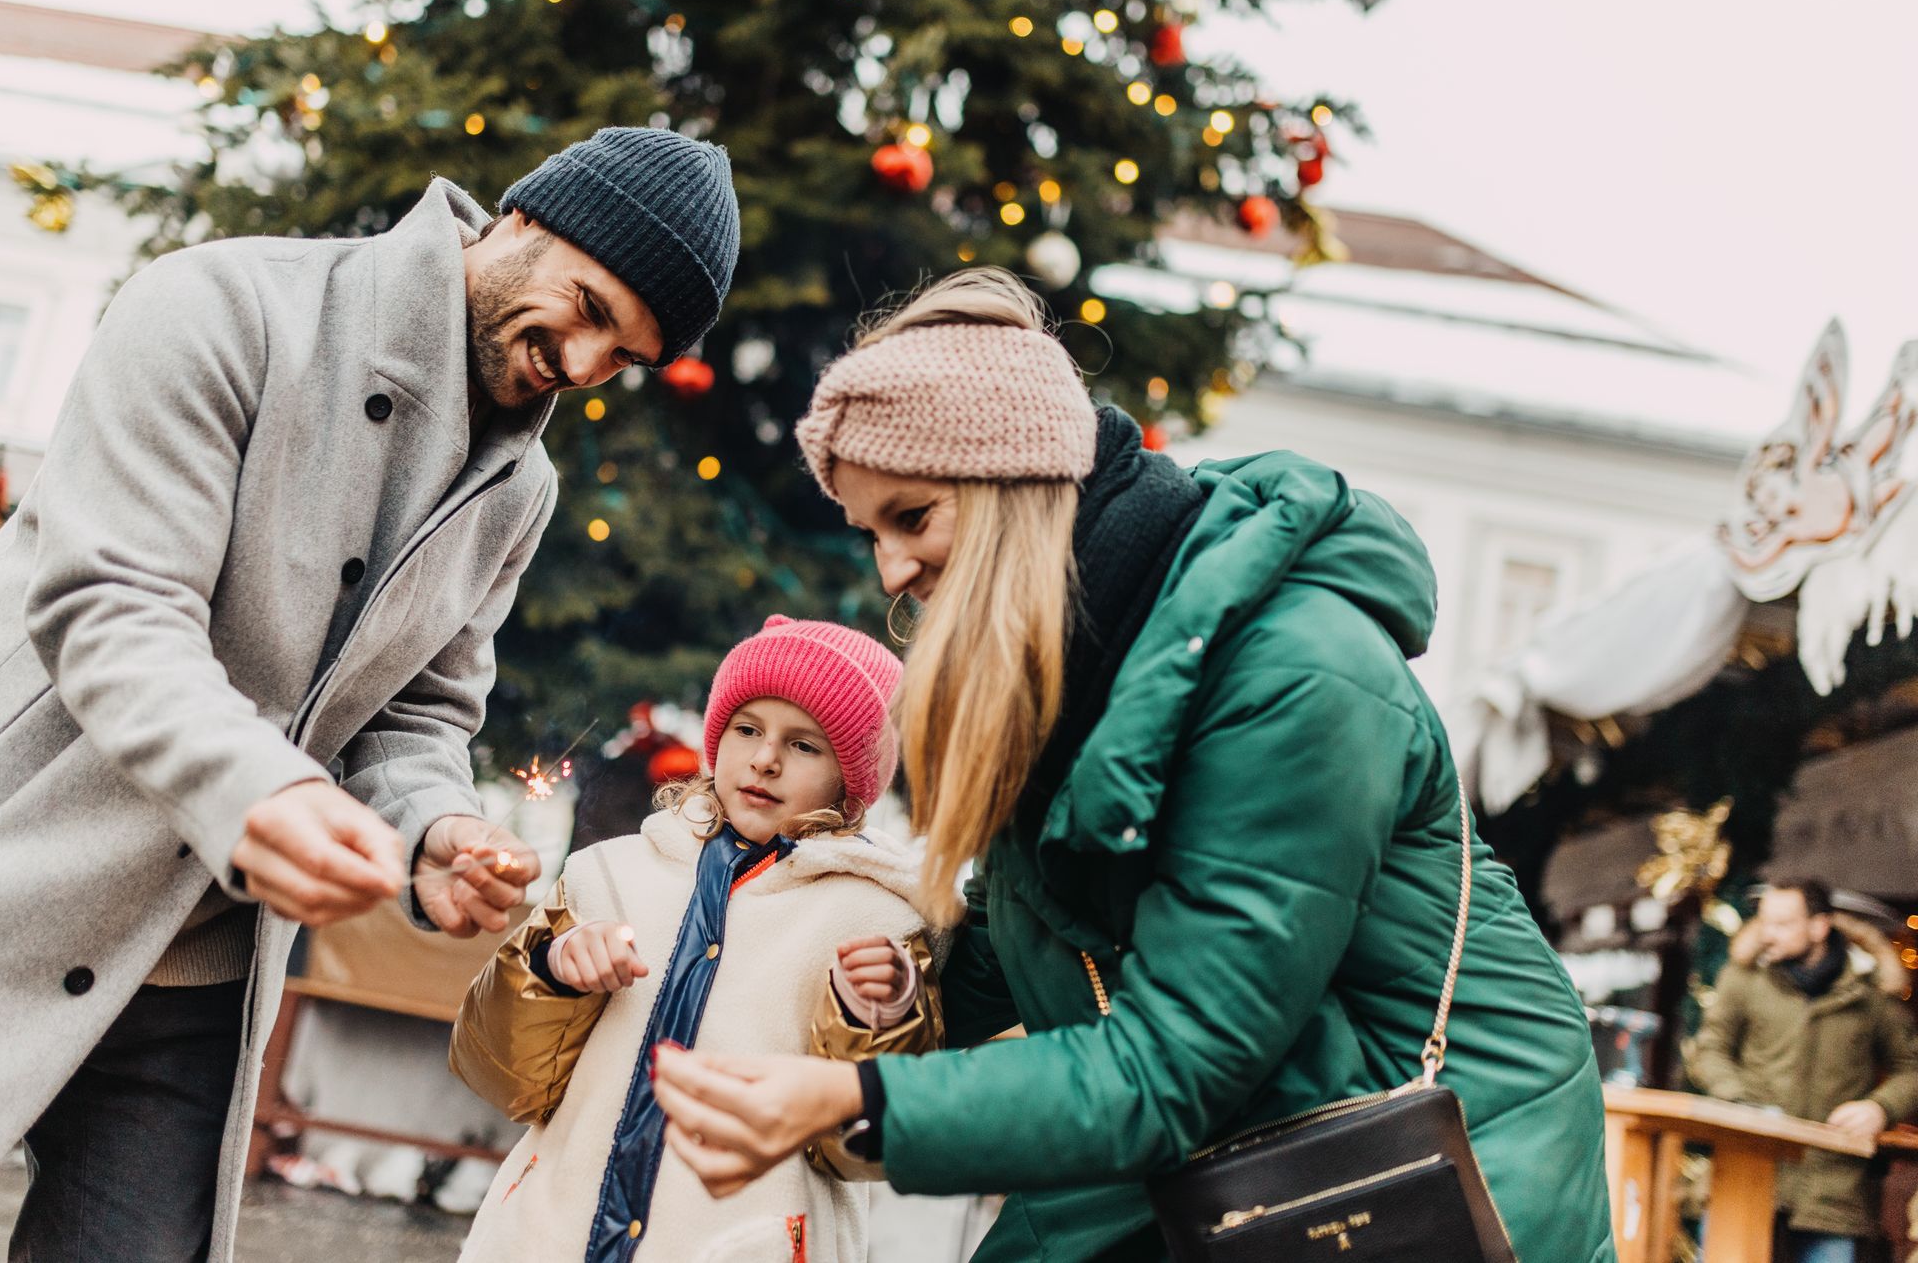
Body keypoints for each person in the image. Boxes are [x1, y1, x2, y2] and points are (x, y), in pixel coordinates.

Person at [0, 126, 741, 1263]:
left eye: (620, 358)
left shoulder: (520, 491)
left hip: (201, 972)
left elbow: (418, 714)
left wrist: (438, 828)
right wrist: (265, 791)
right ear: (523, 221)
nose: (579, 366)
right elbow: (113, 607)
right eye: (585, 309)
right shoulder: (218, 307)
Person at [651, 268, 1618, 1261]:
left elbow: (1180, 1057)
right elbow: (1032, 925)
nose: (890, 572)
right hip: (1228, 1143)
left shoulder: (1291, 668)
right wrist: (902, 983)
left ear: (1013, 483)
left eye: (912, 517)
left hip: (1414, 1166)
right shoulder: (1075, 666)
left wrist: (858, 1096)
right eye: (870, 534)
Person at [449, 616, 941, 1263]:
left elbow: (867, 1151)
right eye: (747, 729)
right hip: (549, 1237)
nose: (764, 757)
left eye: (804, 745)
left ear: (852, 779)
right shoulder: (608, 875)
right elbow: (499, 1075)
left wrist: (877, 1017)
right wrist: (550, 971)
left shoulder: (874, 920)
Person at [1688, 878, 1918, 1263]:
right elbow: (1709, 1050)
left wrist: (1880, 1107)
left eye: (1782, 923)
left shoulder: (1872, 994)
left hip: (1834, 1191)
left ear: (1818, 926)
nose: (1768, 934)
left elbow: (1911, 1067)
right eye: (1764, 922)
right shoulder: (1744, 979)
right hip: (1748, 1172)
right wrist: (1736, 1099)